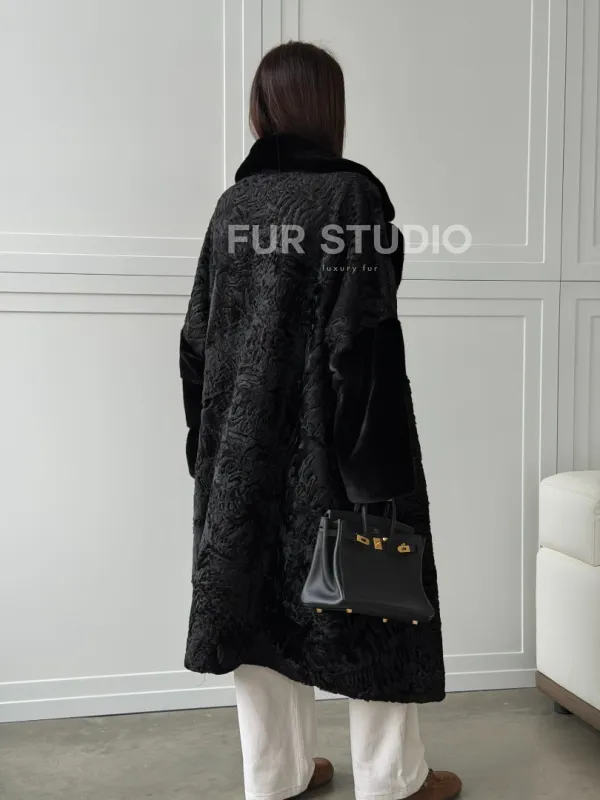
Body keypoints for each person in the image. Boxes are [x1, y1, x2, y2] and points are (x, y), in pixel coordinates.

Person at [180, 41, 460, 800]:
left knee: (255, 605)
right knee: (377, 604)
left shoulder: (233, 208)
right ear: (330, 109)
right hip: (333, 451)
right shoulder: (351, 200)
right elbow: (362, 344)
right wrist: (378, 475)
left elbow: (198, 338)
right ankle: (392, 778)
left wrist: (206, 449)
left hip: (241, 455)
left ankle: (277, 775)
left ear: (261, 110)